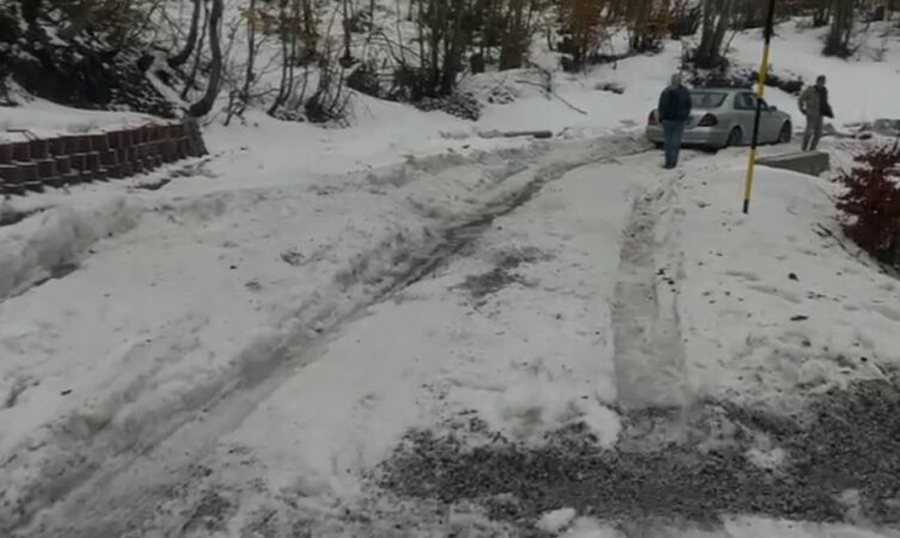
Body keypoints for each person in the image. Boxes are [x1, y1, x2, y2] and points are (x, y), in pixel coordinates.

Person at [657, 73, 693, 169]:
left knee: (672, 142)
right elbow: (688, 105)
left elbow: (661, 105)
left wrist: (661, 117)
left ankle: (671, 162)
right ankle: (671, 162)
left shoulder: (668, 91)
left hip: (674, 120)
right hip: (672, 120)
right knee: (671, 143)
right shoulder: (682, 92)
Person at [799, 75, 834, 151]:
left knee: (818, 134)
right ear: (817, 81)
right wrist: (802, 109)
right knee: (809, 132)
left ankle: (812, 149)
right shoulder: (810, 90)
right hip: (811, 114)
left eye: (823, 82)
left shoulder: (824, 91)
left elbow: (824, 102)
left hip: (820, 114)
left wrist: (829, 110)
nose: (822, 83)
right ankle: (804, 148)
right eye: (820, 81)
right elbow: (801, 99)